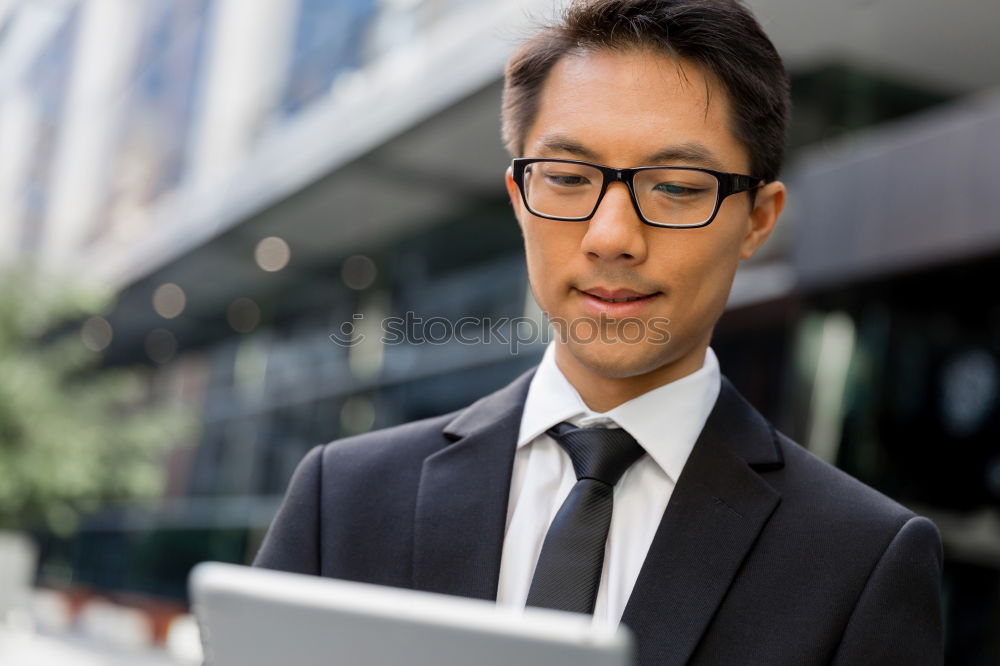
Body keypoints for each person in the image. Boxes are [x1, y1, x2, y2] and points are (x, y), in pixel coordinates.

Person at [253, 1, 944, 663]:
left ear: (759, 220)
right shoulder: (342, 498)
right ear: (519, 198)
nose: (612, 236)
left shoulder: (859, 562)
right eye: (566, 177)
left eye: (676, 186)